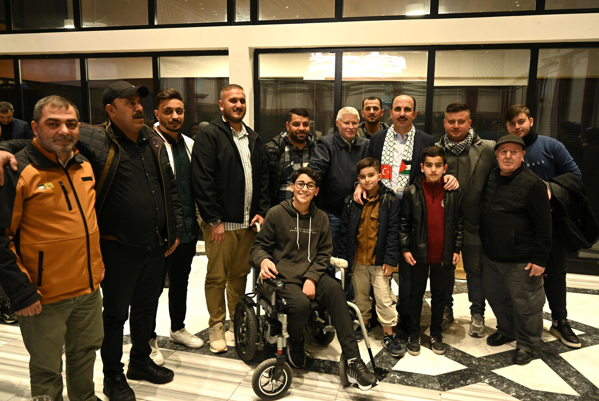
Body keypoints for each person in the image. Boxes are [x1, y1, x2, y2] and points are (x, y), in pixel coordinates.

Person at [0, 80, 184, 401]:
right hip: (106, 255)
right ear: (110, 110)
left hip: (142, 251)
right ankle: (113, 375)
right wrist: (2, 150)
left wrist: (174, 228)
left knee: (138, 314)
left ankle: (137, 363)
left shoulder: (149, 139)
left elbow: (169, 186)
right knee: (108, 321)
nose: (137, 108)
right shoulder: (92, 139)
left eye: (139, 102)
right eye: (129, 103)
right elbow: (36, 143)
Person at [0, 96, 104, 401]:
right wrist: (21, 292)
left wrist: (97, 268)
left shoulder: (84, 164)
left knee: (85, 353)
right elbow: (1, 237)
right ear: (35, 127)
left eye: (71, 124)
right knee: (46, 367)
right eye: (53, 124)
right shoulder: (16, 170)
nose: (64, 131)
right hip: (42, 296)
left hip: (87, 289)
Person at [251, 166, 377, 390]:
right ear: (292, 187)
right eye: (300, 184)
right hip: (284, 277)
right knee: (300, 305)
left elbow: (324, 254)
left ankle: (353, 360)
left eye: (310, 186)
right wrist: (263, 260)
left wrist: (311, 278)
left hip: (313, 274)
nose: (304, 189)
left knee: (336, 291)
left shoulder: (321, 218)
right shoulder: (276, 213)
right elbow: (259, 247)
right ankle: (296, 340)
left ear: (316, 191)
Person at [355, 94, 457, 334]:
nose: (402, 113)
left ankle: (406, 317)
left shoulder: (426, 139)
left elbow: (433, 168)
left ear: (414, 114)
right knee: (379, 263)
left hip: (414, 211)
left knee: (410, 266)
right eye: (398, 109)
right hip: (382, 208)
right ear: (390, 113)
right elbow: (368, 168)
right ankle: (378, 314)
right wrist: (359, 184)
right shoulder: (377, 139)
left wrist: (448, 177)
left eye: (407, 109)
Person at [191, 84, 270, 354]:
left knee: (239, 275)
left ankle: (236, 323)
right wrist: (213, 220)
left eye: (242, 100)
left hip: (248, 224)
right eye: (232, 100)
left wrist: (262, 209)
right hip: (221, 225)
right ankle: (216, 326)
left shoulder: (253, 137)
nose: (238, 105)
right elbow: (202, 180)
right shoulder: (210, 135)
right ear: (221, 104)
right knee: (216, 277)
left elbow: (263, 178)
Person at [505, 104, 582, 349]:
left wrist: (549, 188)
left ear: (530, 121)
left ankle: (559, 321)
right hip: (517, 226)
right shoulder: (505, 148)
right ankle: (514, 324)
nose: (517, 127)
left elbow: (575, 176)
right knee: (518, 275)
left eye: (521, 122)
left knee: (555, 273)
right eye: (512, 123)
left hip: (551, 223)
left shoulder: (551, 146)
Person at [480, 135, 552, 365]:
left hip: (521, 259)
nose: (508, 156)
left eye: (514, 152)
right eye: (503, 152)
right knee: (498, 298)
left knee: (527, 304)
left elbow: (544, 225)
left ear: (523, 156)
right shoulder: (492, 176)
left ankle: (528, 343)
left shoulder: (533, 184)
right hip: (492, 256)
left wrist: (540, 260)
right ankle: (507, 329)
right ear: (497, 155)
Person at [150, 88, 204, 366]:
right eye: (168, 111)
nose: (174, 116)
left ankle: (177, 328)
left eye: (179, 111)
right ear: (157, 114)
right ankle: (148, 339)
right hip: (159, 232)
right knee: (152, 287)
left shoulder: (189, 144)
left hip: (187, 228)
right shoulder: (148, 143)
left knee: (181, 281)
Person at [436, 102, 496, 336]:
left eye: (461, 121)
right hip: (443, 222)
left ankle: (477, 313)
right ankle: (445, 309)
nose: (456, 126)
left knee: (475, 270)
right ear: (444, 123)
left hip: (475, 222)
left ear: (469, 123)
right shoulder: (435, 149)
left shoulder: (489, 148)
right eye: (451, 121)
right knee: (444, 270)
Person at [400, 146, 463, 356]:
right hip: (418, 253)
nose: (433, 169)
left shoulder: (453, 192)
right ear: (422, 167)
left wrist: (456, 248)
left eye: (438, 165)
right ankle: (413, 333)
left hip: (444, 254)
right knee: (415, 294)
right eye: (429, 165)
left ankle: (436, 333)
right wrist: (405, 248)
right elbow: (404, 222)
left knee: (439, 295)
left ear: (445, 168)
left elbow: (459, 222)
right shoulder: (411, 191)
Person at [337, 157, 403, 356]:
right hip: (357, 260)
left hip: (379, 261)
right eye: (363, 177)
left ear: (380, 176)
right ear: (358, 179)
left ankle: (389, 334)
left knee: (384, 298)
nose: (367, 180)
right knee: (361, 296)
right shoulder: (352, 201)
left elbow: (393, 232)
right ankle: (364, 323)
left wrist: (390, 260)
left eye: (371, 175)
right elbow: (344, 231)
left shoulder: (390, 200)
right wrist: (345, 259)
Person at [308, 107, 369, 271]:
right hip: (332, 212)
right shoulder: (325, 143)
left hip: (358, 212)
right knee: (330, 257)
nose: (350, 127)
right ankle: (330, 287)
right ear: (337, 123)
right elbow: (316, 170)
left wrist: (360, 184)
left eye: (354, 123)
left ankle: (349, 288)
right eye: (346, 123)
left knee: (353, 258)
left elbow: (371, 172)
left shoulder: (366, 145)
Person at [264, 108, 316, 206]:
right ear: (288, 126)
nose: (301, 128)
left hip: (308, 211)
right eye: (296, 124)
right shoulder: (273, 150)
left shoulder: (316, 151)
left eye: (305, 124)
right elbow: (264, 186)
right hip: (279, 211)